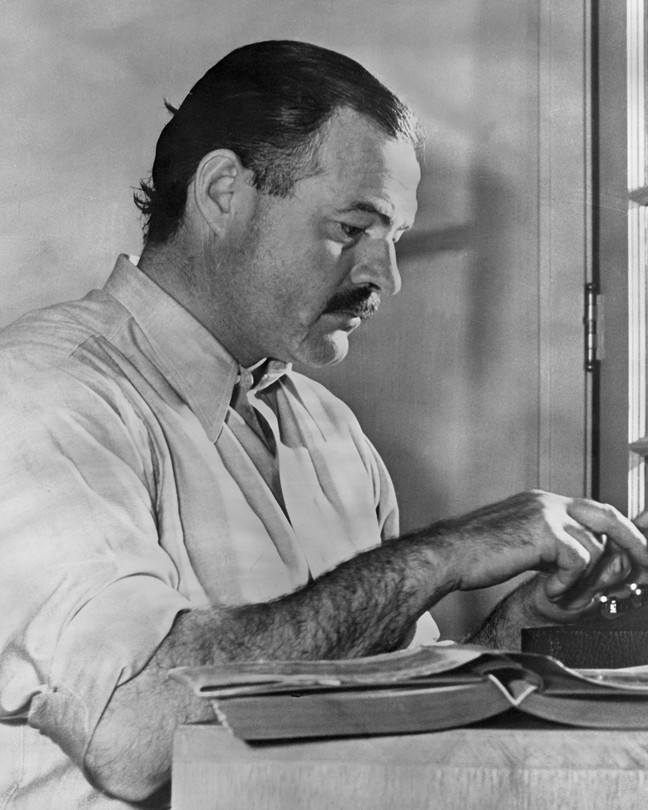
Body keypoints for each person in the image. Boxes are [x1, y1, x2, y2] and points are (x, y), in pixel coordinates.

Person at [0, 39, 646, 809]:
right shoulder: (43, 392)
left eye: (395, 239)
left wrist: (516, 629)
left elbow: (382, 711)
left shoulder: (332, 431)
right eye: (352, 228)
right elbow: (136, 735)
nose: (385, 278)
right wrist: (443, 555)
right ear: (222, 192)